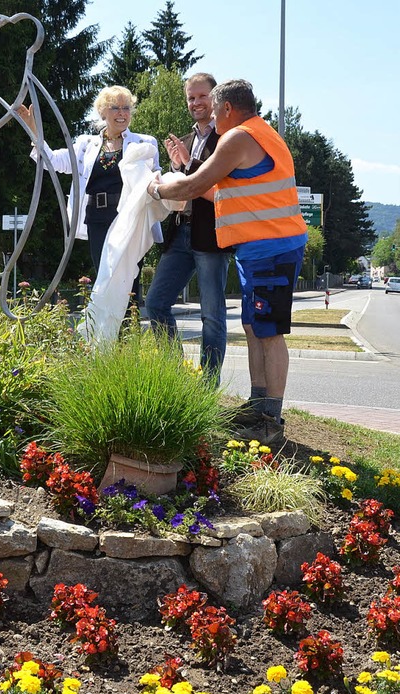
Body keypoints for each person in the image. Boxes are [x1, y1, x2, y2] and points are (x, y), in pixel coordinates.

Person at [148, 79, 308, 445]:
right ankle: (257, 404)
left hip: (272, 248)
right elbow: (215, 190)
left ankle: (271, 418)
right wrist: (183, 175)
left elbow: (192, 187)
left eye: (215, 109)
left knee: (269, 333)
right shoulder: (259, 133)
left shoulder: (237, 137)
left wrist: (157, 190)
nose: (214, 119)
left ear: (227, 110)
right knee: (255, 328)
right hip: (259, 249)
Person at [17, 86, 162, 297]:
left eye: (126, 108)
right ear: (103, 112)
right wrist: (34, 133)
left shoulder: (145, 142)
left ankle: (129, 326)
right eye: (115, 108)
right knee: (104, 277)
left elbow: (156, 175)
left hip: (129, 217)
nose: (122, 113)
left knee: (129, 277)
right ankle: (105, 329)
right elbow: (53, 161)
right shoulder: (87, 144)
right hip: (96, 219)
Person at [145, 73, 230, 381]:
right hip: (180, 232)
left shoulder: (226, 139)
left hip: (211, 236)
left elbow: (216, 186)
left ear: (215, 98)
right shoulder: (187, 140)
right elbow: (183, 185)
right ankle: (177, 379)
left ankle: (207, 389)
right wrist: (176, 168)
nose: (196, 103)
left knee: (212, 317)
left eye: (202, 96)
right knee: (155, 305)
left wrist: (187, 165)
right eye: (191, 98)